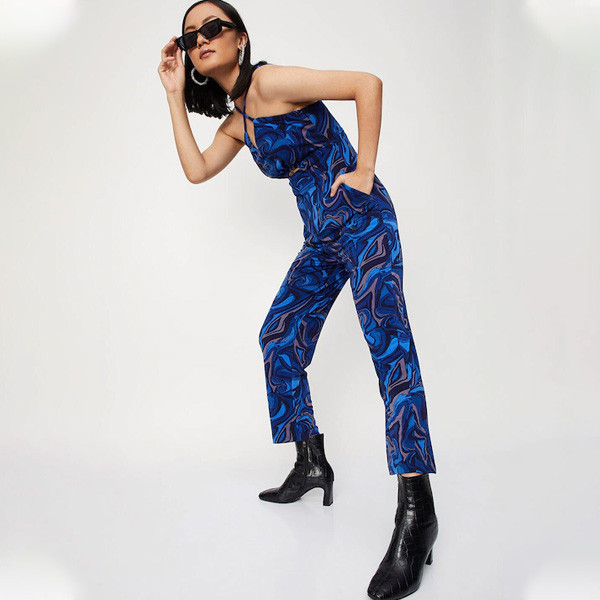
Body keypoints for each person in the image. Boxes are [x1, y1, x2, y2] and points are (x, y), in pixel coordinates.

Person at [158, 1, 438, 598]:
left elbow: (367, 84)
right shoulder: (241, 119)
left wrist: (365, 168)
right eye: (190, 36)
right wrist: (173, 94)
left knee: (391, 354)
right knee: (279, 337)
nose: (202, 39)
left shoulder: (272, 81)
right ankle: (311, 461)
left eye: (214, 27)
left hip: (362, 222)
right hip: (324, 241)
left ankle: (417, 514)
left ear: (240, 38)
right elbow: (197, 169)